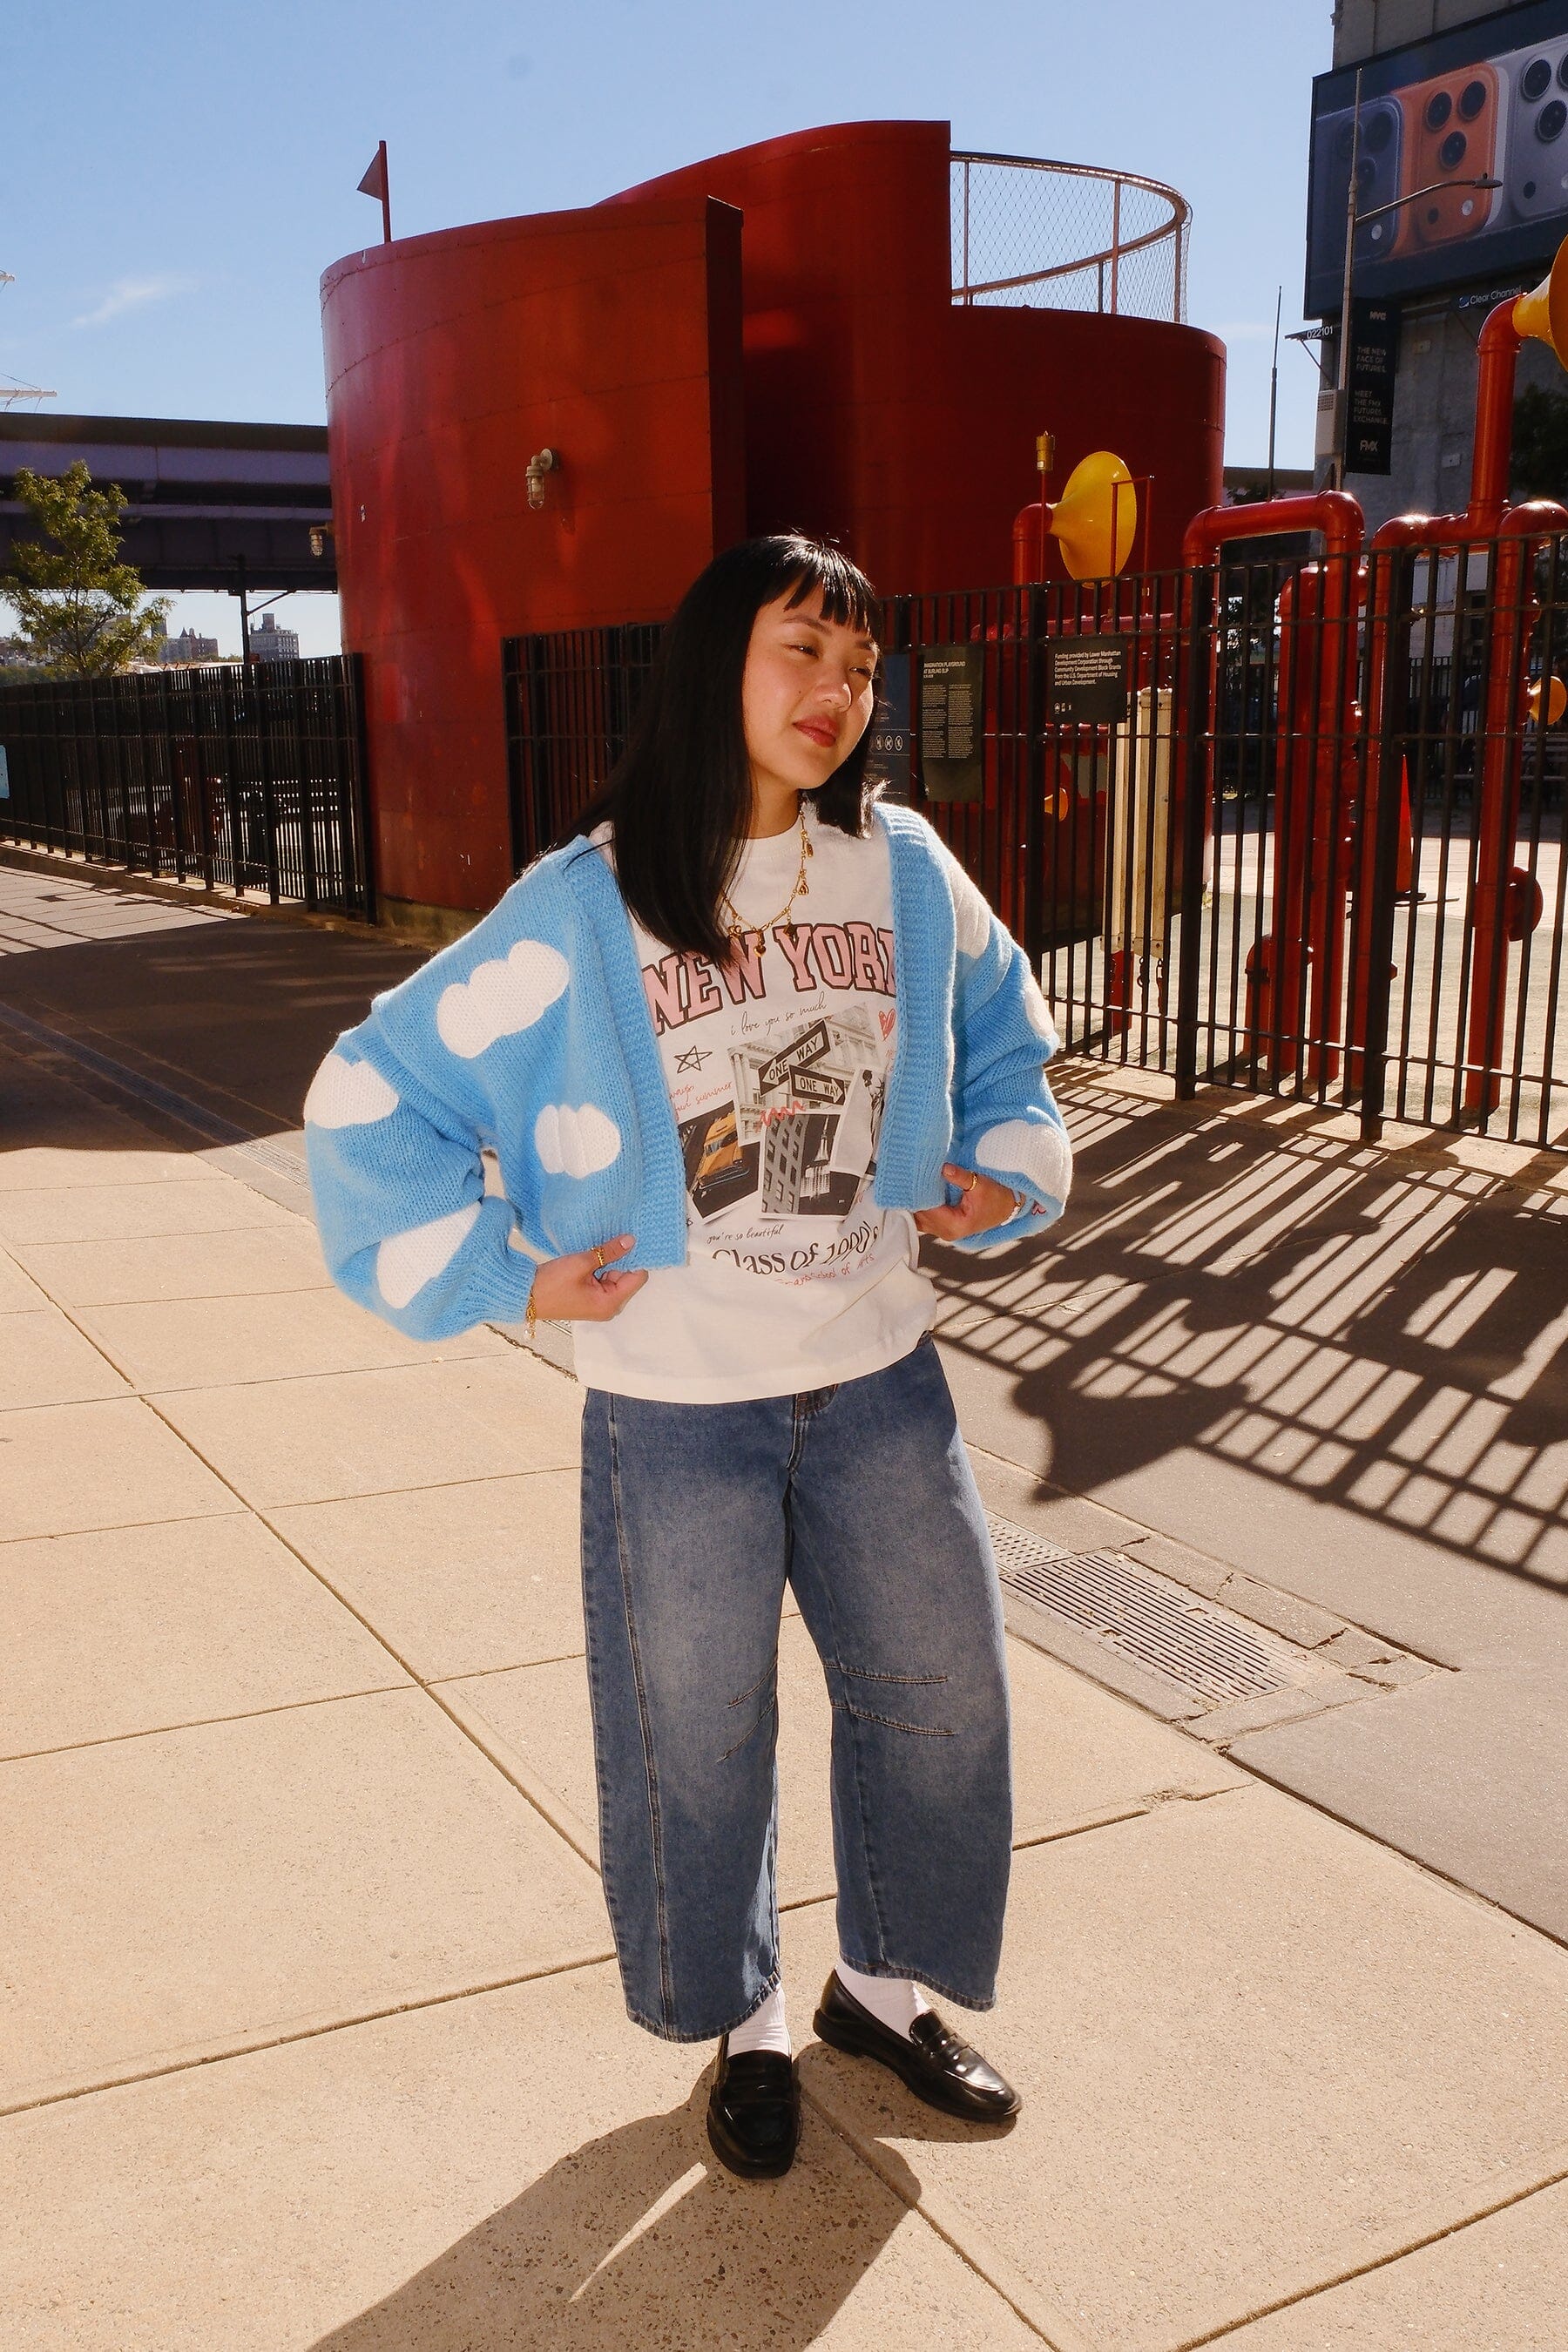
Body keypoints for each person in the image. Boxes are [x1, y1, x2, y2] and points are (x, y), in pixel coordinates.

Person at [305, 535, 1072, 2181]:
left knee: (940, 1698)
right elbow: (376, 1093)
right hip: (673, 1409)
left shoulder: (908, 874)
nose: (838, 695)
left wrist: (1000, 1166)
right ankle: (749, 2023)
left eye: (862, 669)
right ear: (716, 660)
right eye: (804, 650)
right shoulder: (588, 902)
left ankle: (877, 1990)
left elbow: (1009, 1042)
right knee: (697, 1728)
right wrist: (505, 1276)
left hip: (878, 1373)